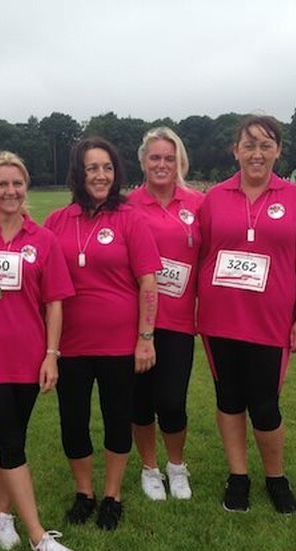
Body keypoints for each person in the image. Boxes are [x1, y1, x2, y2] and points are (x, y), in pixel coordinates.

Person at [0, 151, 80, 551]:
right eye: (1, 184)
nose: (10, 191)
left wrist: (51, 354)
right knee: (9, 441)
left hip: (30, 358)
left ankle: (1, 515)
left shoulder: (43, 240)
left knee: (13, 441)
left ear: (25, 187)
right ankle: (38, 536)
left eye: (17, 184)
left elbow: (56, 304)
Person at [196, 115, 296, 514]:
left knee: (265, 406)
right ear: (236, 151)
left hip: (270, 322)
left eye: (265, 145)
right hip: (220, 318)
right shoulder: (214, 198)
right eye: (249, 145)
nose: (257, 153)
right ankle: (238, 476)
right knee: (229, 400)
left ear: (278, 150)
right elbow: (201, 255)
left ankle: (275, 476)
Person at [44, 137, 161, 530]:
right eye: (92, 168)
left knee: (116, 419)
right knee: (73, 422)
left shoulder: (131, 218)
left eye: (107, 168)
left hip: (118, 344)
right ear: (79, 172)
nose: (101, 175)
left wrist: (146, 337)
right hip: (70, 346)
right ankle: (84, 492)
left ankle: (112, 494)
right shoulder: (57, 222)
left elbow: (149, 283)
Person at [127, 127, 204, 501]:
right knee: (140, 402)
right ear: (143, 161)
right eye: (154, 157)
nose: (161, 164)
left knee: (173, 401)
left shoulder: (198, 204)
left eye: (169, 158)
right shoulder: (126, 206)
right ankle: (150, 467)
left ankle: (176, 465)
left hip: (177, 321)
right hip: (133, 322)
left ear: (180, 162)